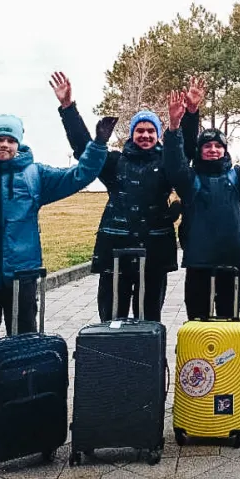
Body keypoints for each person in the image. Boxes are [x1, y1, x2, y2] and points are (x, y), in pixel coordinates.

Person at [50, 72, 204, 322]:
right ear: (131, 134)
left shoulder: (168, 162)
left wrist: (191, 113)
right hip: (115, 252)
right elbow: (84, 150)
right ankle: (111, 362)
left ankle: (149, 361)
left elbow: (185, 151)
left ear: (157, 135)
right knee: (112, 320)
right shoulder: (114, 162)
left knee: (149, 318)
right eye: (139, 131)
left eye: (150, 131)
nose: (144, 135)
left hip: (153, 253)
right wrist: (68, 108)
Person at [0, 112, 111, 394]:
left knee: (25, 348)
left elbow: (78, 176)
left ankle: (22, 407)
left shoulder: (34, 175)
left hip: (22, 278)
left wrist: (98, 143)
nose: (4, 144)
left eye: (10, 139)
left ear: (19, 143)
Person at [163, 90, 240, 319]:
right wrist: (175, 126)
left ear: (225, 150)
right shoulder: (189, 178)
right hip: (198, 260)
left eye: (218, 146)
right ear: (200, 150)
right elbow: (174, 162)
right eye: (207, 146)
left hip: (232, 260)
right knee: (197, 324)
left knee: (230, 323)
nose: (213, 150)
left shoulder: (237, 177)